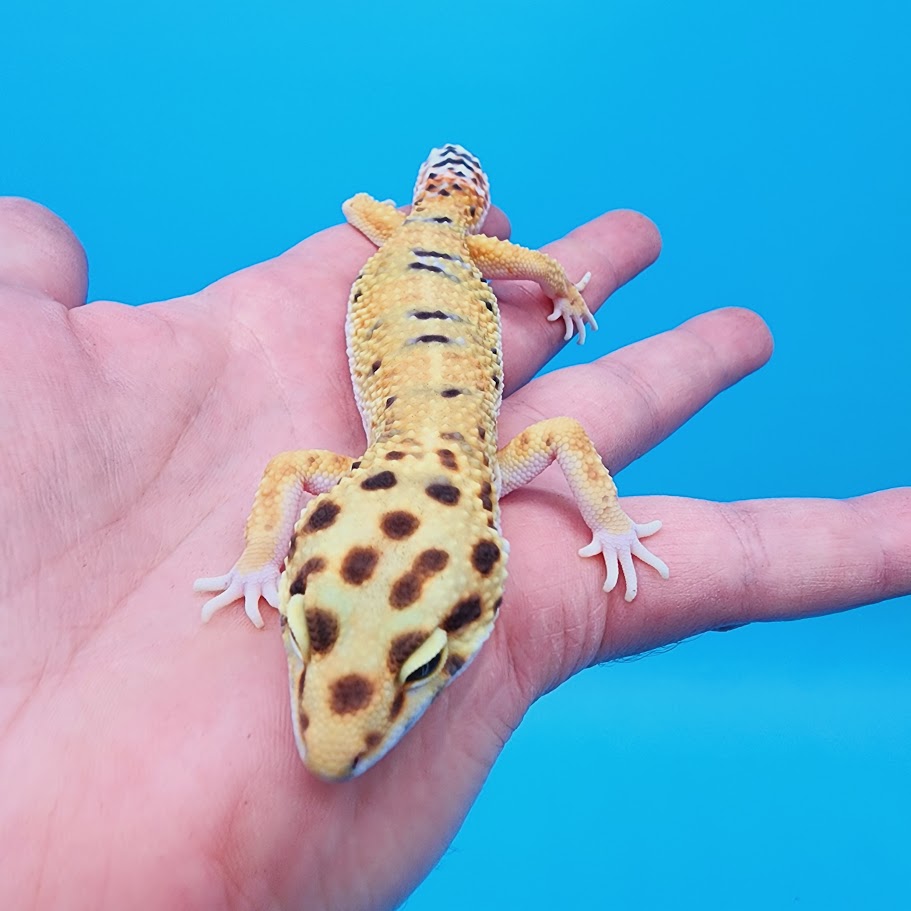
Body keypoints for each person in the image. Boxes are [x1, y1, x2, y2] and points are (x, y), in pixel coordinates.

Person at [0, 195, 907, 910]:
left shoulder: (475, 466)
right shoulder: (419, 470)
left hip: (437, 259)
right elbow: (544, 441)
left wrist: (609, 516)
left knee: (452, 241)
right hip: (402, 254)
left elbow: (555, 440)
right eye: (313, 629)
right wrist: (258, 559)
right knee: (386, 220)